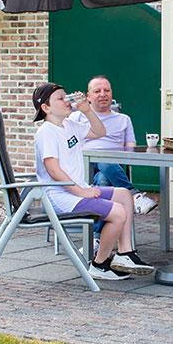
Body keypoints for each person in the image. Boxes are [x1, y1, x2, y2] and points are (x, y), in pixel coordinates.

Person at [32, 82, 153, 281]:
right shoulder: (46, 132)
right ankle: (99, 264)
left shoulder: (69, 125)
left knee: (124, 195)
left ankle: (125, 253)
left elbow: (99, 132)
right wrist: (81, 191)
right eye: (60, 98)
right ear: (46, 107)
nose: (67, 100)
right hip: (61, 197)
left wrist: (87, 111)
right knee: (118, 212)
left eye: (66, 96)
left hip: (76, 191)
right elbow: (53, 170)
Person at [68, 75, 157, 215]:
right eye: (97, 91)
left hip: (113, 167)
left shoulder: (124, 119)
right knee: (104, 160)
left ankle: (97, 229)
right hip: (84, 166)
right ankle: (134, 195)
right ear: (88, 96)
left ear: (111, 93)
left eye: (107, 90)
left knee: (102, 179)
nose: (103, 94)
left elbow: (130, 149)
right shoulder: (77, 117)